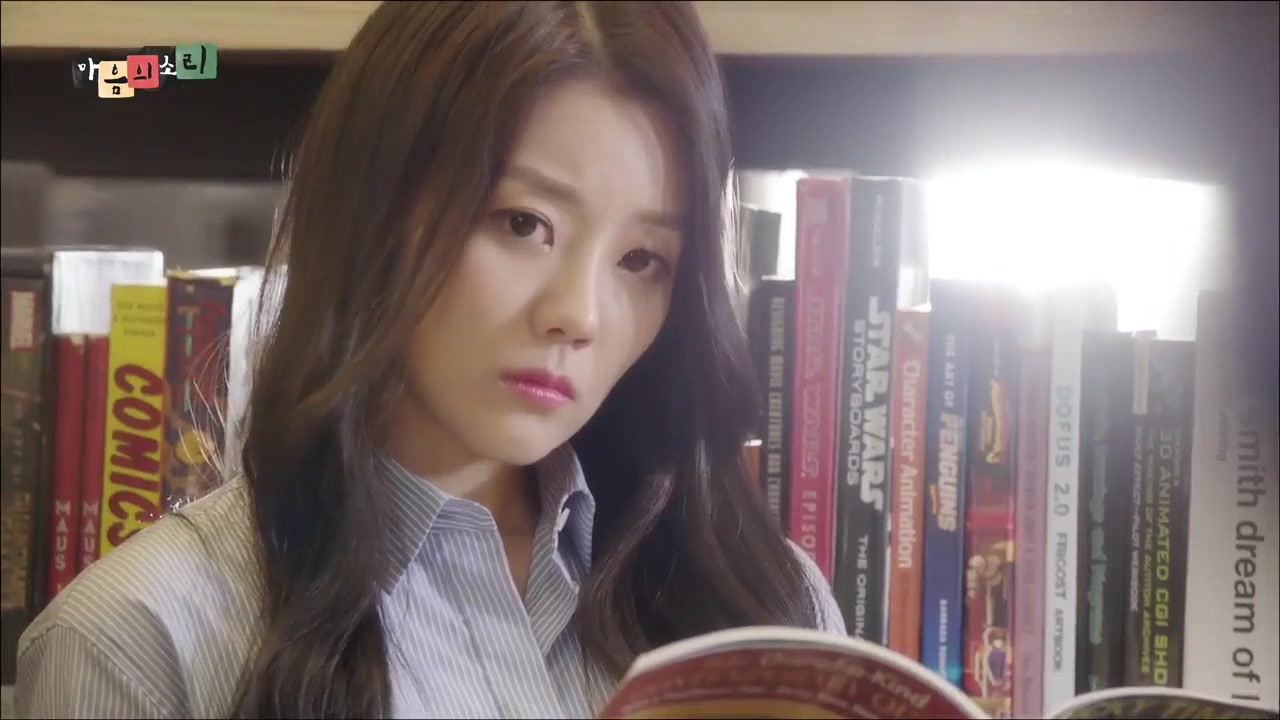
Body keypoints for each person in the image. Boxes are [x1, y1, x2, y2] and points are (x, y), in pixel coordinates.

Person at [14, 2, 843, 718]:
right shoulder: (138, 639)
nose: (578, 315)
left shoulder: (768, 607)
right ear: (376, 206)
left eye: (641, 260)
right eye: (523, 224)